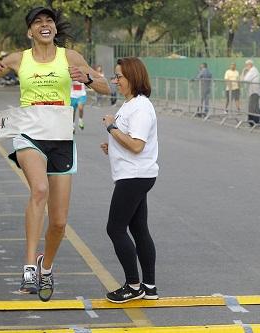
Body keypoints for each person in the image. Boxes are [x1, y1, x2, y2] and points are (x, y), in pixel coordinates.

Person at [0, 7, 110, 302]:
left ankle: (45, 267)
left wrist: (85, 78)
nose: (44, 25)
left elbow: (105, 88)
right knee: (40, 189)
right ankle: (28, 267)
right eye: (38, 22)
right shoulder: (18, 59)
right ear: (29, 31)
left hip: (61, 137)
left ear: (55, 30)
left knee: (59, 222)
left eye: (49, 21)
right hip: (28, 134)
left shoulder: (69, 57)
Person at [101, 57, 159, 303]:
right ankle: (149, 287)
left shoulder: (141, 108)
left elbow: (136, 145)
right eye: (115, 76)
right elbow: (129, 140)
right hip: (134, 174)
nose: (115, 81)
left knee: (115, 228)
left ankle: (133, 285)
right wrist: (112, 145)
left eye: (119, 77)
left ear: (133, 79)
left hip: (134, 176)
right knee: (138, 228)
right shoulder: (130, 104)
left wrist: (111, 129)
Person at [241, 59, 260, 124]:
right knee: (255, 107)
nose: (246, 66)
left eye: (247, 65)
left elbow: (245, 79)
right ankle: (257, 121)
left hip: (254, 91)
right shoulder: (253, 70)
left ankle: (252, 121)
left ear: (250, 65)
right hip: (254, 91)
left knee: (252, 107)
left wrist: (244, 71)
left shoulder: (252, 70)